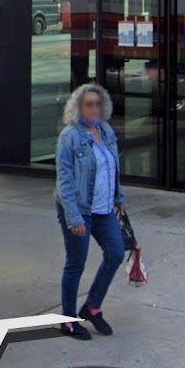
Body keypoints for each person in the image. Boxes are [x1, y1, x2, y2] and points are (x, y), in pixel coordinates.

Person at [55, 83, 128, 339]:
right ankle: (68, 321)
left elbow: (112, 167)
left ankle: (92, 307)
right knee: (76, 264)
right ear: (78, 107)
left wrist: (119, 197)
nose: (94, 108)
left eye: (98, 103)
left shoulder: (105, 130)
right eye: (88, 104)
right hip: (79, 210)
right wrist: (74, 217)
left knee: (116, 253)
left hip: (103, 209)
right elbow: (64, 181)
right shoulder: (70, 137)